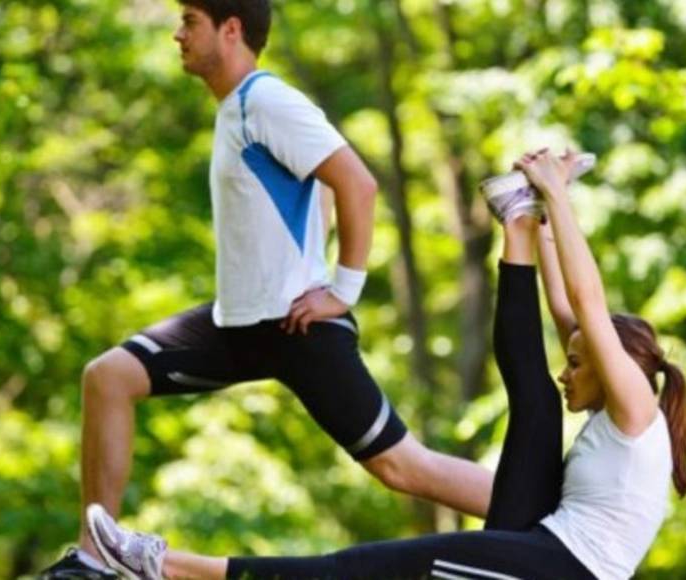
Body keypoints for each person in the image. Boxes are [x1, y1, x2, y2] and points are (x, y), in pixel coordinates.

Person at [79, 149, 686, 580]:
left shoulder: (635, 408)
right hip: (544, 537)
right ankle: (516, 220)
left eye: (580, 363)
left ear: (619, 369)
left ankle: (166, 567)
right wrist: (542, 222)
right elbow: (564, 306)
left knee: (370, 568)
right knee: (531, 396)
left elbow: (586, 303)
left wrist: (560, 194)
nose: (569, 371)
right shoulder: (617, 401)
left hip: (566, 570)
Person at [40, 1, 495, 577]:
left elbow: (356, 183)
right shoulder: (234, 110)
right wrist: (309, 254)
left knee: (401, 468)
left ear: (230, 30)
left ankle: (546, 517)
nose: (178, 35)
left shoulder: (267, 101)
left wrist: (340, 290)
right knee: (108, 377)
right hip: (238, 323)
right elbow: (318, 197)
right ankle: (96, 555)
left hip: (296, 326)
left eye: (190, 21)